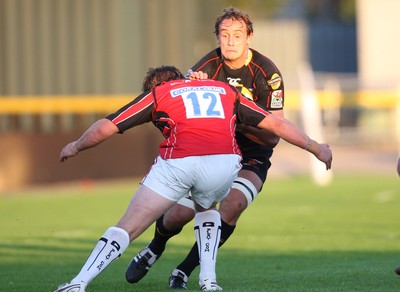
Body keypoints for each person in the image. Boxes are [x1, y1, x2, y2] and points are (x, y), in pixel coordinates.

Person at [54, 65, 332, 292]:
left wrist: (76, 145)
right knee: (208, 208)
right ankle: (208, 281)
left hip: (180, 161)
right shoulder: (224, 90)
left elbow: (109, 125)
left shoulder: (159, 93)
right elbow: (276, 123)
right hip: (225, 162)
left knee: (128, 226)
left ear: (155, 85)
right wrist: (316, 147)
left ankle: (78, 283)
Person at [125, 7, 298, 290]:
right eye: (225, 35)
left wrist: (235, 121)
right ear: (217, 37)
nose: (231, 41)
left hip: (252, 152)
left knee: (233, 206)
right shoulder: (206, 67)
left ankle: (184, 270)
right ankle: (155, 247)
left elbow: (272, 136)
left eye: (238, 35)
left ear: (249, 38)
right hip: (214, 148)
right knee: (179, 215)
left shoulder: (267, 74)